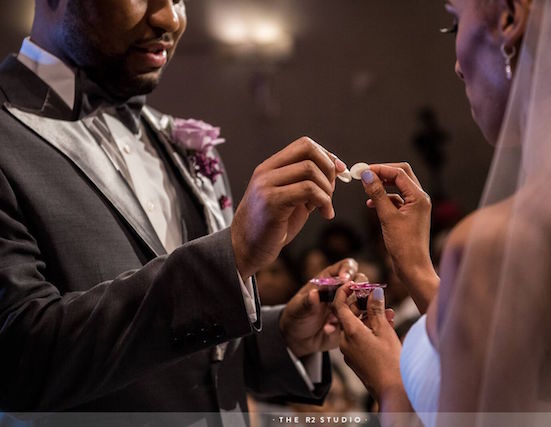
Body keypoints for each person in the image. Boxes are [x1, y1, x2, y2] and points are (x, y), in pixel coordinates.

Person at [0, 0, 361, 424]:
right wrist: (232, 255)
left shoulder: (179, 142)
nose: (169, 18)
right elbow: (18, 361)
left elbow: (177, 353)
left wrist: (284, 337)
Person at [334, 0, 551, 425]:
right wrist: (417, 268)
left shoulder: (503, 246)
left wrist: (391, 387)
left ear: (511, 17)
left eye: (454, 22)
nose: (458, 66)